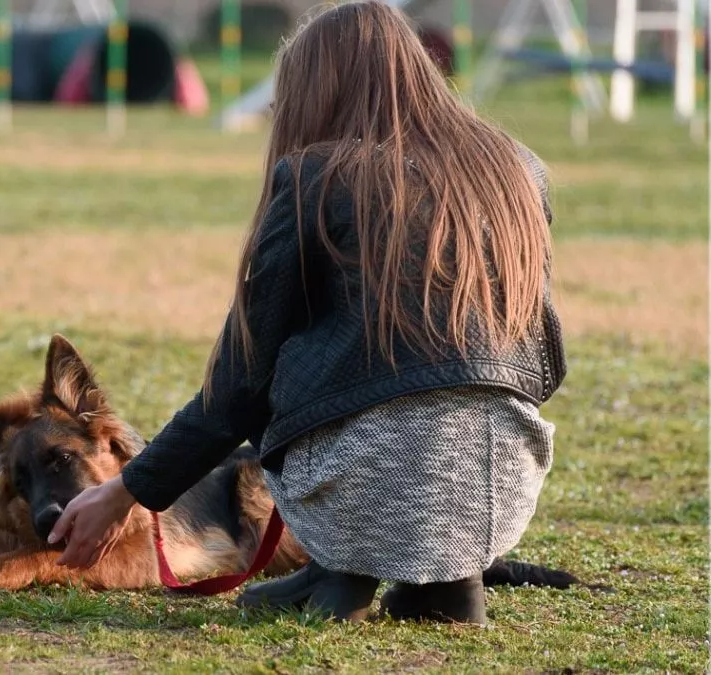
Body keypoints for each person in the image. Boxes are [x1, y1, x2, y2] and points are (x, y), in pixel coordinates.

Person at [48, 0, 566, 626]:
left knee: (290, 360)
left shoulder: (313, 177)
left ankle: (346, 566)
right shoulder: (520, 167)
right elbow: (545, 357)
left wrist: (123, 494)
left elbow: (235, 389)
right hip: (505, 484)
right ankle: (447, 579)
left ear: (318, 91)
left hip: (363, 485)